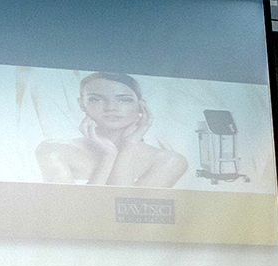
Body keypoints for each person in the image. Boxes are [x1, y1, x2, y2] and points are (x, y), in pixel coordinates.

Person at [35, 72, 187, 188]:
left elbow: (125, 211)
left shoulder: (169, 160)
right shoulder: (54, 150)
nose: (111, 107)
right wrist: (109, 156)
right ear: (82, 104)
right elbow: (72, 213)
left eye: (124, 99)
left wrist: (130, 146)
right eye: (96, 99)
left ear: (141, 105)